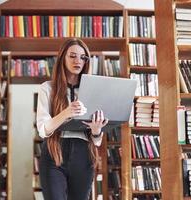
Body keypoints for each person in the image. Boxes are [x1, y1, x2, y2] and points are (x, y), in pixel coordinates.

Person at [36, 38, 108, 200]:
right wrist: (65, 113)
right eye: (73, 56)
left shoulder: (93, 90)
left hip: (84, 154)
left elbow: (96, 141)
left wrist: (97, 131)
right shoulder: (47, 88)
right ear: (63, 58)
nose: (78, 61)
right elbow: (43, 129)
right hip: (55, 153)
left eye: (83, 57)